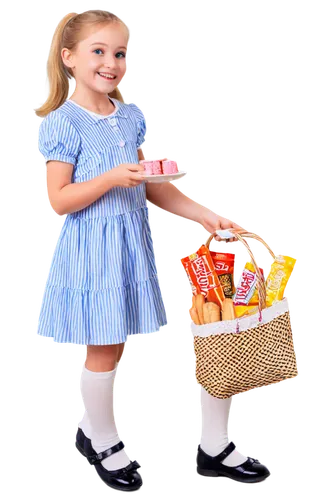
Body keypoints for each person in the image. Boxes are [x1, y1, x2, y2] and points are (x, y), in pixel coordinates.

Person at [33, 7, 271, 492]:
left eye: (120, 53)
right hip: (91, 251)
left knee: (116, 344)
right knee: (100, 345)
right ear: (69, 58)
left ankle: (96, 431)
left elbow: (155, 189)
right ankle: (97, 435)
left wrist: (209, 216)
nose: (112, 62)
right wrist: (111, 178)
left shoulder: (130, 117)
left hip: (129, 245)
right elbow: (58, 200)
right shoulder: (63, 122)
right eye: (98, 51)